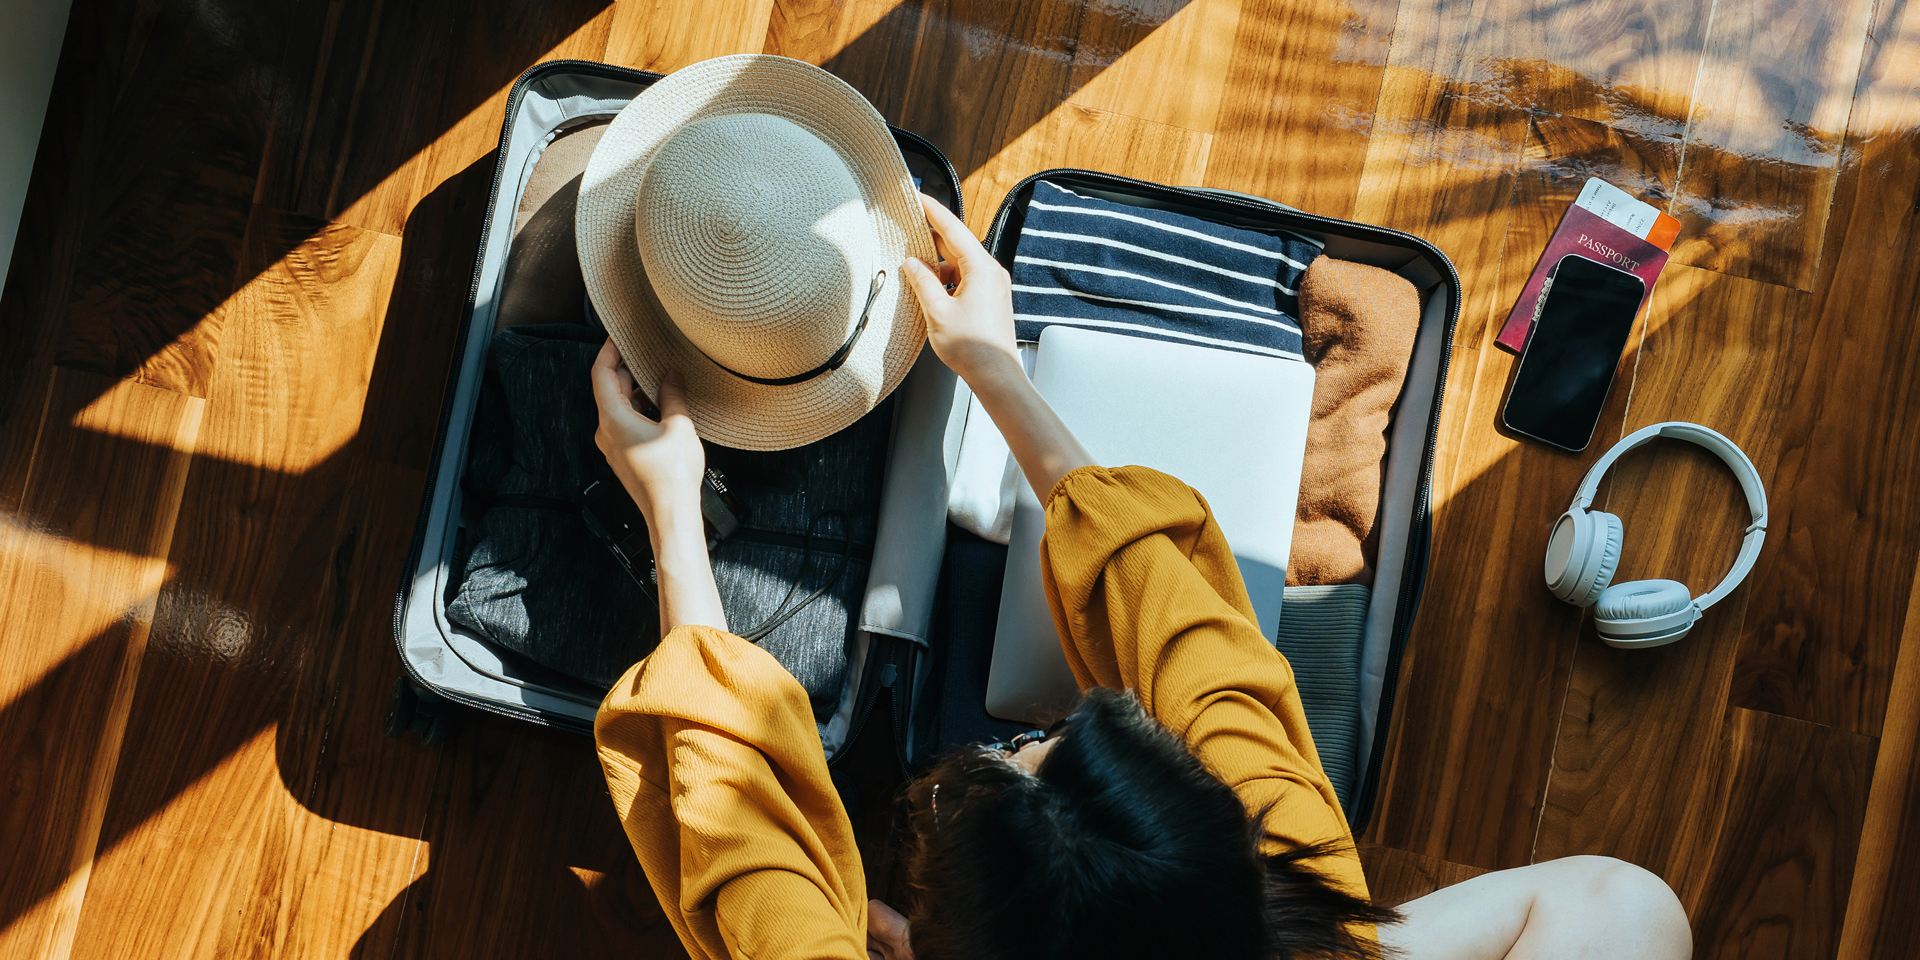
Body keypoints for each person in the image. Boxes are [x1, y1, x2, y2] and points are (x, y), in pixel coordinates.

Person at [589, 195, 1694, 960]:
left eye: (1015, 750)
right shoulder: (1287, 847)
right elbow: (1183, 626)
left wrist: (674, 512)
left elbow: (740, 829)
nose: (1025, 736)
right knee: (1629, 903)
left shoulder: (1292, 851)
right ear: (1240, 868)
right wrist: (995, 367)